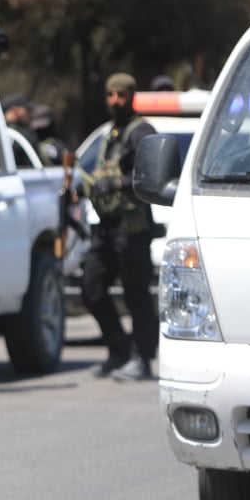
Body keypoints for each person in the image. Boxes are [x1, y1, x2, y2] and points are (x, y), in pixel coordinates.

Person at [82, 72, 158, 382]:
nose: (115, 101)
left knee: (136, 295)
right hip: (107, 225)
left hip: (132, 227)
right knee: (92, 288)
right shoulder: (109, 133)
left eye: (121, 96)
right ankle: (119, 350)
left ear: (131, 96)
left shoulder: (141, 132)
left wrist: (117, 183)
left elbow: (150, 175)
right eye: (111, 95)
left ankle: (142, 358)